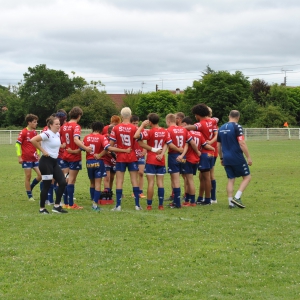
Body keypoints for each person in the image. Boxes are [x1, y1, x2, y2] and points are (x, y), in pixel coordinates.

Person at [83, 121, 131, 211]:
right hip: (99, 162)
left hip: (89, 162)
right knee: (98, 183)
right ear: (101, 129)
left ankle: (92, 200)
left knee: (92, 183)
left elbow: (82, 147)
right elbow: (108, 148)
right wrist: (124, 150)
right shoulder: (101, 137)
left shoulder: (86, 137)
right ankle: (94, 204)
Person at [30, 116, 68, 214]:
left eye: (59, 123)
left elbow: (53, 144)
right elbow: (33, 140)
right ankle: (42, 208)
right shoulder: (47, 133)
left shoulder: (57, 134)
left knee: (63, 182)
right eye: (56, 124)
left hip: (54, 162)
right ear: (50, 125)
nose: (58, 125)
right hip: (46, 162)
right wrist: (43, 151)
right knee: (47, 185)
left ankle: (56, 206)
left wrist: (61, 146)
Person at [134, 113, 171, 210]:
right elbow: (167, 144)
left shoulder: (150, 132)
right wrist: (162, 154)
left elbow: (136, 136)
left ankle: (149, 205)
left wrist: (142, 125)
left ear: (149, 122)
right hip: (161, 159)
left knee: (151, 183)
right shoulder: (165, 131)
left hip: (151, 160)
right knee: (160, 183)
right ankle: (161, 205)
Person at [217, 110, 252, 208]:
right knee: (247, 177)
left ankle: (230, 203)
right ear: (238, 117)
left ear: (229, 116)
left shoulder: (221, 128)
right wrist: (248, 157)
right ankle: (237, 197)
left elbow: (218, 145)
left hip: (226, 158)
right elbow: (242, 143)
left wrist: (221, 157)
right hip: (236, 156)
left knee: (231, 179)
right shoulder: (237, 127)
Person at [185, 104, 218, 205]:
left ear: (198, 115)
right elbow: (216, 119)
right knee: (205, 177)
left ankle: (207, 200)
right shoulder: (212, 121)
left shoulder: (201, 124)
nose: (195, 116)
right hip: (212, 153)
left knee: (206, 177)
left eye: (195, 114)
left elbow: (193, 126)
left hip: (204, 152)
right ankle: (203, 198)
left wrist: (182, 128)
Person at [60, 106, 92, 209]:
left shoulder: (63, 126)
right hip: (74, 156)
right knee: (72, 180)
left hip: (65, 156)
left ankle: (65, 203)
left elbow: (57, 137)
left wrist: (62, 144)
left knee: (66, 178)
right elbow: (76, 140)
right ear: (79, 116)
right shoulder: (76, 126)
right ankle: (71, 204)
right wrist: (86, 148)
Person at [177, 117, 214, 206]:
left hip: (189, 158)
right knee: (191, 179)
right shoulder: (199, 133)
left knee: (189, 180)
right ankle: (191, 199)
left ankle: (191, 201)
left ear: (186, 124)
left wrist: (182, 155)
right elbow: (205, 145)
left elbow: (187, 146)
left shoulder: (187, 133)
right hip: (196, 160)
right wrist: (212, 149)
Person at [109, 107, 141, 211]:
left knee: (119, 180)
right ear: (131, 116)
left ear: (121, 116)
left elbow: (110, 145)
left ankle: (118, 205)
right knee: (134, 180)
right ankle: (137, 205)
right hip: (132, 156)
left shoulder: (115, 128)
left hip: (121, 157)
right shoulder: (134, 128)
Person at [166, 113, 194, 208]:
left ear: (168, 121)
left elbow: (169, 144)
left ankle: (177, 203)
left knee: (175, 180)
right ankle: (186, 198)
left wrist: (178, 150)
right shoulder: (184, 129)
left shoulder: (168, 130)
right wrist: (182, 154)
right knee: (185, 178)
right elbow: (188, 143)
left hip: (173, 156)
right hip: (183, 157)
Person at [16, 114, 42, 201]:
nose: (36, 123)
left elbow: (37, 144)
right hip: (26, 158)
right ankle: (30, 195)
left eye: (36, 122)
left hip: (34, 158)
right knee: (28, 176)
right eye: (34, 122)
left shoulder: (35, 132)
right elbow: (17, 144)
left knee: (41, 175)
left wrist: (38, 153)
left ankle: (30, 187)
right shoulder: (23, 132)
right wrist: (19, 157)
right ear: (29, 122)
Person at [131, 115, 147, 198]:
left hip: (140, 153)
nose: (135, 125)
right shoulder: (130, 130)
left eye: (136, 123)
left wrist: (145, 150)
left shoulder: (141, 130)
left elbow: (145, 141)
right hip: (132, 154)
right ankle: (135, 191)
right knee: (134, 173)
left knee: (141, 172)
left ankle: (141, 191)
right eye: (134, 123)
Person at [207, 107, 219, 204]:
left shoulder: (209, 122)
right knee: (210, 174)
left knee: (208, 175)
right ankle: (212, 197)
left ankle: (211, 197)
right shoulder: (214, 122)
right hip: (214, 152)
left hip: (208, 151)